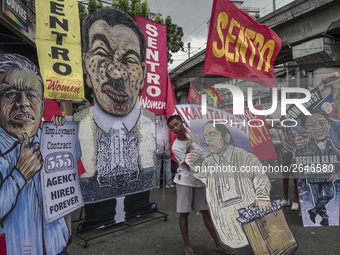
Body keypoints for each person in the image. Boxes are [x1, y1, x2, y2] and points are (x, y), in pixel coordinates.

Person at [74, 7, 157, 232]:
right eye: (102, 53)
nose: (117, 73)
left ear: (143, 73)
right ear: (85, 64)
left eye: (129, 60)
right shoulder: (77, 125)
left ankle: (138, 206)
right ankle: (99, 216)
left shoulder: (148, 123)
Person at [0, 53, 69, 254]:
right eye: (11, 93)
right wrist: (18, 176)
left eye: (31, 95)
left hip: (57, 245)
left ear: (42, 104)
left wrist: (63, 136)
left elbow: (71, 169)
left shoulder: (49, 138)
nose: (24, 103)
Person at [186, 120, 271, 255]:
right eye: (205, 136)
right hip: (226, 224)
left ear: (226, 137)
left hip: (250, 222)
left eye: (212, 134)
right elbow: (202, 174)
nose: (208, 139)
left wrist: (262, 197)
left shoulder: (244, 157)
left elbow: (261, 178)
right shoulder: (209, 161)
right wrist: (194, 164)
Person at [167, 115, 235, 255]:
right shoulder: (176, 146)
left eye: (176, 124)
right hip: (185, 181)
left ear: (182, 123)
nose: (175, 128)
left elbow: (205, 153)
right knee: (184, 214)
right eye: (172, 127)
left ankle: (218, 244)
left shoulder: (194, 136)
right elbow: (191, 164)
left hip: (200, 181)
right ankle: (187, 245)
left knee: (206, 213)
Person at [294, 109, 339, 226]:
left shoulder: (330, 142)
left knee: (330, 195)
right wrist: (298, 149)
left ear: (328, 124)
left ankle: (313, 211)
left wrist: (337, 173)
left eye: (322, 122)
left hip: (327, 175)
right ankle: (324, 218)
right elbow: (298, 159)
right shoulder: (305, 144)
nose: (318, 127)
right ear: (304, 128)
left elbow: (338, 159)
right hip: (313, 176)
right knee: (317, 197)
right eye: (311, 124)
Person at [280, 125, 299, 211]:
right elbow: (284, 133)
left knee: (296, 179)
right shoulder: (286, 123)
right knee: (285, 178)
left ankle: (295, 201)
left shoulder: (299, 123)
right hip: (286, 154)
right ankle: (286, 199)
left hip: (296, 155)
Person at [156, 115, 173, 188]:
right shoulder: (167, 120)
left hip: (158, 148)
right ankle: (168, 183)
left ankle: (156, 184)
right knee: (167, 167)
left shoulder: (155, 122)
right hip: (167, 147)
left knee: (157, 167)